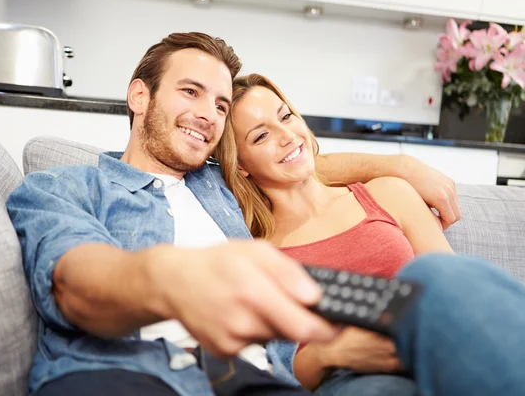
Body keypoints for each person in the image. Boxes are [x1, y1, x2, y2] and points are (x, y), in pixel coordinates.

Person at [5, 32, 525, 396]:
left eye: (221, 105)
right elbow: (74, 284)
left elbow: (297, 163)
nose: (208, 113)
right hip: (130, 374)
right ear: (140, 95)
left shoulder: (223, 187)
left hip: (256, 381)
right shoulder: (60, 187)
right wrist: (175, 277)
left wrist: (397, 163)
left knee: (442, 280)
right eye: (190, 92)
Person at [212, 72, 525, 396]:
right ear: (241, 165)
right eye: (261, 136)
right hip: (352, 375)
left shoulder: (390, 192)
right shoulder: (262, 252)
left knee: (433, 274)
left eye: (286, 116)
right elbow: (276, 369)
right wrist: (331, 354)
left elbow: (458, 290)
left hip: (437, 341)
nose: (287, 135)